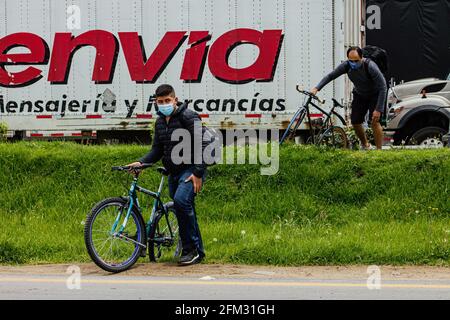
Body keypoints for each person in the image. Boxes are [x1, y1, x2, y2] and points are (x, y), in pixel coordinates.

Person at [127, 84, 207, 266]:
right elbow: (156, 150)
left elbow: (204, 146)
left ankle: (190, 250)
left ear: (175, 100)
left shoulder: (189, 116)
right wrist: (141, 163)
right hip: (174, 171)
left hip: (190, 169)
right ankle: (198, 251)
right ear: (156, 102)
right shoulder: (160, 122)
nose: (164, 104)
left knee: (181, 202)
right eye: (160, 102)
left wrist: (198, 173)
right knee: (184, 208)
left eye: (167, 101)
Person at [311, 46, 387, 150]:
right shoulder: (346, 66)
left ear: (361, 58)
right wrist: (316, 88)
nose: (353, 63)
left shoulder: (370, 66)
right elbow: (330, 76)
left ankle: (379, 150)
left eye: (356, 61)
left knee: (374, 121)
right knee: (355, 121)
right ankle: (366, 145)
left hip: (374, 94)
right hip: (360, 94)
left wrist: (378, 109)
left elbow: (383, 87)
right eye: (351, 61)